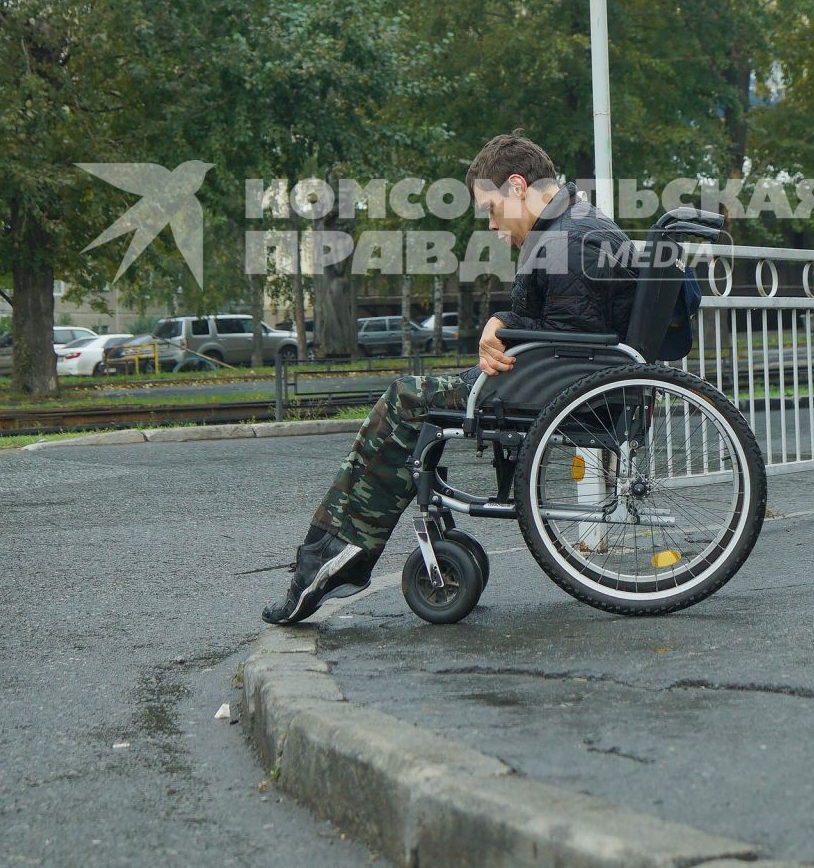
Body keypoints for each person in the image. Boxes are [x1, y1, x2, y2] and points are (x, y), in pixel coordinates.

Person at [262, 132, 638, 625]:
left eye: (489, 207)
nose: (491, 223)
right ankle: (334, 553)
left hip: (553, 386)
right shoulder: (574, 226)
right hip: (554, 379)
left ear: (518, 186)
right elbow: (572, 328)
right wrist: (505, 323)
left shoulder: (569, 239)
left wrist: (502, 325)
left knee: (403, 401)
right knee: (408, 401)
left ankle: (333, 555)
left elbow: (574, 336)